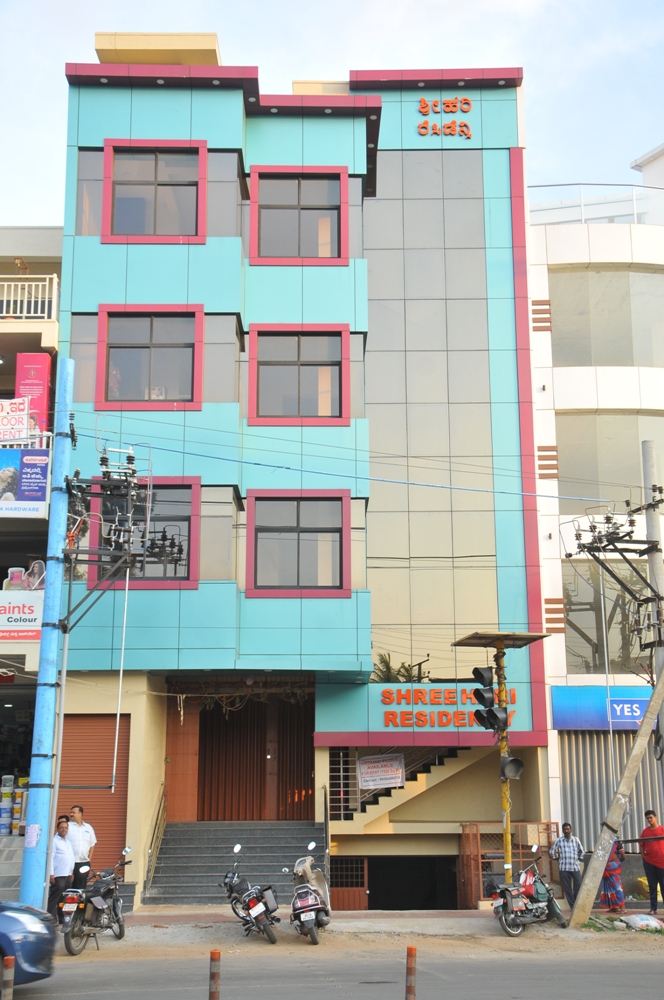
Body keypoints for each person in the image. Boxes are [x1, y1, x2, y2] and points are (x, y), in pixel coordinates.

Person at [550, 822, 585, 908]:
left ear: (571, 830)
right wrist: (557, 858)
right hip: (564, 868)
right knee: (567, 887)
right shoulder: (559, 840)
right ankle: (573, 905)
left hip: (575, 867)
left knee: (578, 884)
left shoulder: (576, 840)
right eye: (565, 829)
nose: (566, 831)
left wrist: (578, 858)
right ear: (563, 830)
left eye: (568, 829)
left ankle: (575, 901)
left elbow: (582, 851)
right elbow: (552, 851)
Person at [48, 817, 75, 920]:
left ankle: (62, 918)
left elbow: (71, 857)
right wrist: (51, 873)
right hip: (58, 874)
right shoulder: (54, 841)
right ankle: (50, 917)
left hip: (67, 874)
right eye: (61, 828)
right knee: (55, 897)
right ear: (57, 829)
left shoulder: (68, 841)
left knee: (64, 898)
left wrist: (71, 872)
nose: (64, 829)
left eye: (66, 828)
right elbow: (51, 857)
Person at [639, 809, 664, 915]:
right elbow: (641, 845)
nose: (649, 820)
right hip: (649, 863)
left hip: (662, 863)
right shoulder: (645, 832)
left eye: (651, 817)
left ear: (656, 818)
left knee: (663, 886)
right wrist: (643, 857)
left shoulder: (662, 830)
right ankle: (653, 909)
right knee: (652, 886)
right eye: (647, 818)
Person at [67, 804, 97, 890]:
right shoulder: (67, 826)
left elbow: (92, 844)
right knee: (69, 885)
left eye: (74, 812)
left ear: (80, 814)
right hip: (70, 862)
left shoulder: (88, 828)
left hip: (84, 863)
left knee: (81, 886)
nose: (71, 814)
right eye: (71, 812)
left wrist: (89, 859)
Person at [600, 839, 625, 913]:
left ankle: (622, 908)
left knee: (617, 887)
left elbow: (623, 856)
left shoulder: (617, 842)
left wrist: (617, 862)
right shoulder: (603, 841)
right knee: (608, 888)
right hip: (606, 868)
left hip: (615, 867)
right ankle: (614, 907)